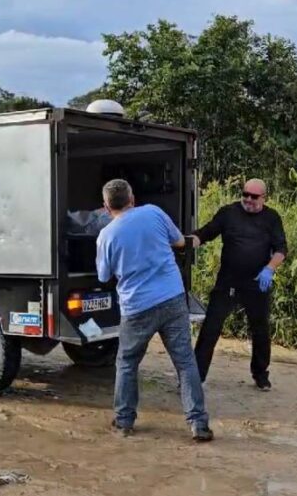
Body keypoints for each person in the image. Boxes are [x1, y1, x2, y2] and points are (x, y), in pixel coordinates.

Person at [95, 179, 213, 442]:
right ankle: (198, 424)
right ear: (132, 198)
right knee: (184, 362)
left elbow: (103, 276)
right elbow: (180, 242)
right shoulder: (154, 212)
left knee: (127, 363)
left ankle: (124, 422)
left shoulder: (107, 235)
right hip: (172, 299)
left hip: (137, 308)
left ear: (105, 207)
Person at [191, 178, 287, 391]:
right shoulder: (228, 213)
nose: (248, 200)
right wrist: (190, 241)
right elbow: (206, 233)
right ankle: (196, 376)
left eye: (254, 196)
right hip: (228, 282)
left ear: (264, 197)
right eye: (245, 194)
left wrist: (269, 269)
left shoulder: (272, 218)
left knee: (260, 330)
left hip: (256, 284)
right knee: (211, 327)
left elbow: (281, 249)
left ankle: (261, 374)